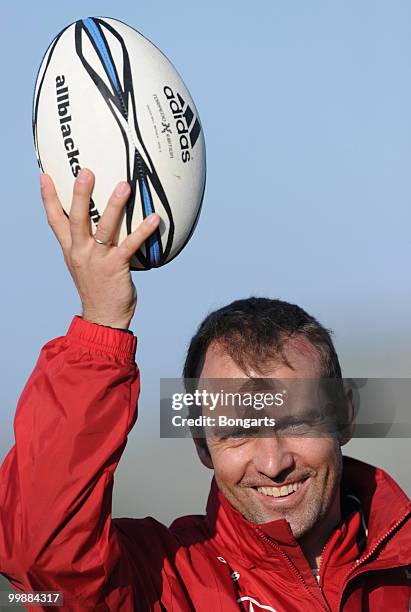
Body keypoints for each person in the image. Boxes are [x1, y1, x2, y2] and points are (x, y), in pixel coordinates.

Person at [0, 169, 410, 611]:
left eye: (297, 423)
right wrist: (101, 323)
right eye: (238, 432)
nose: (274, 463)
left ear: (344, 415)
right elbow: (44, 560)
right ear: (201, 444)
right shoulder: (162, 583)